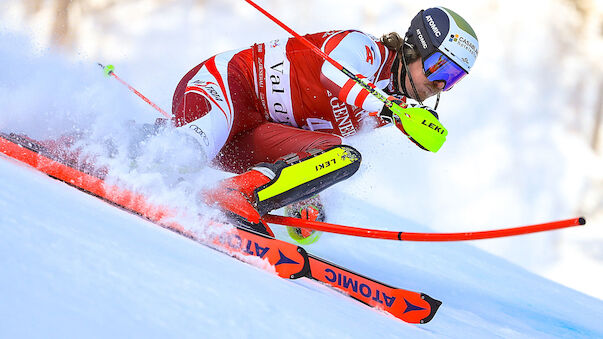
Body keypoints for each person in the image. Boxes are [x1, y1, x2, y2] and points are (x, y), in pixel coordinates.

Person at [174, 7, 479, 242]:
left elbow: (309, 139)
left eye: (453, 78)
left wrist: (305, 193)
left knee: (339, 155)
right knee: (184, 155)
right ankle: (147, 154)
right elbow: (332, 75)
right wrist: (390, 109)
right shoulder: (363, 49)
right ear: (414, 49)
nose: (440, 84)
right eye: (441, 67)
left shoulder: (388, 108)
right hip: (221, 87)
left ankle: (236, 195)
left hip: (245, 138)